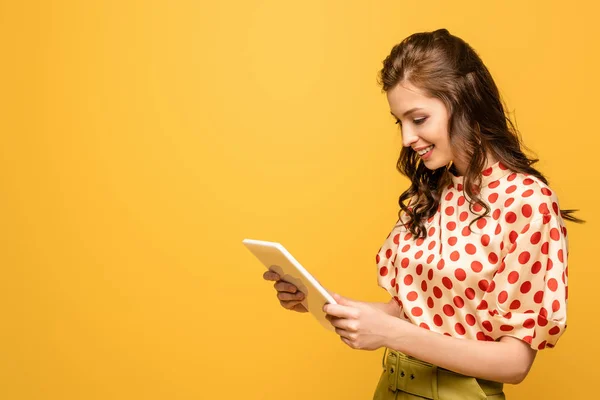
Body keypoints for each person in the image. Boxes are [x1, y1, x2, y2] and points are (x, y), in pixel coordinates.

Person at [263, 28, 582, 399]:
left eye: (418, 119)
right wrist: (321, 301)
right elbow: (412, 315)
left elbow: (515, 363)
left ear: (464, 103)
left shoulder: (527, 202)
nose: (406, 139)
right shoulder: (429, 194)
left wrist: (391, 335)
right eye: (399, 122)